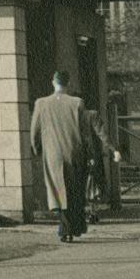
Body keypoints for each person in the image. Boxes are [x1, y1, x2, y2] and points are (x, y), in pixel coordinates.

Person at [30, 70, 95, 242]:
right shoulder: (77, 103)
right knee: (74, 190)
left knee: (58, 190)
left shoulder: (41, 103)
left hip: (53, 154)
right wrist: (90, 154)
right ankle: (72, 227)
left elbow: (34, 131)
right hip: (75, 152)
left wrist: (37, 150)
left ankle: (66, 228)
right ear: (68, 84)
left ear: (53, 82)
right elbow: (86, 133)